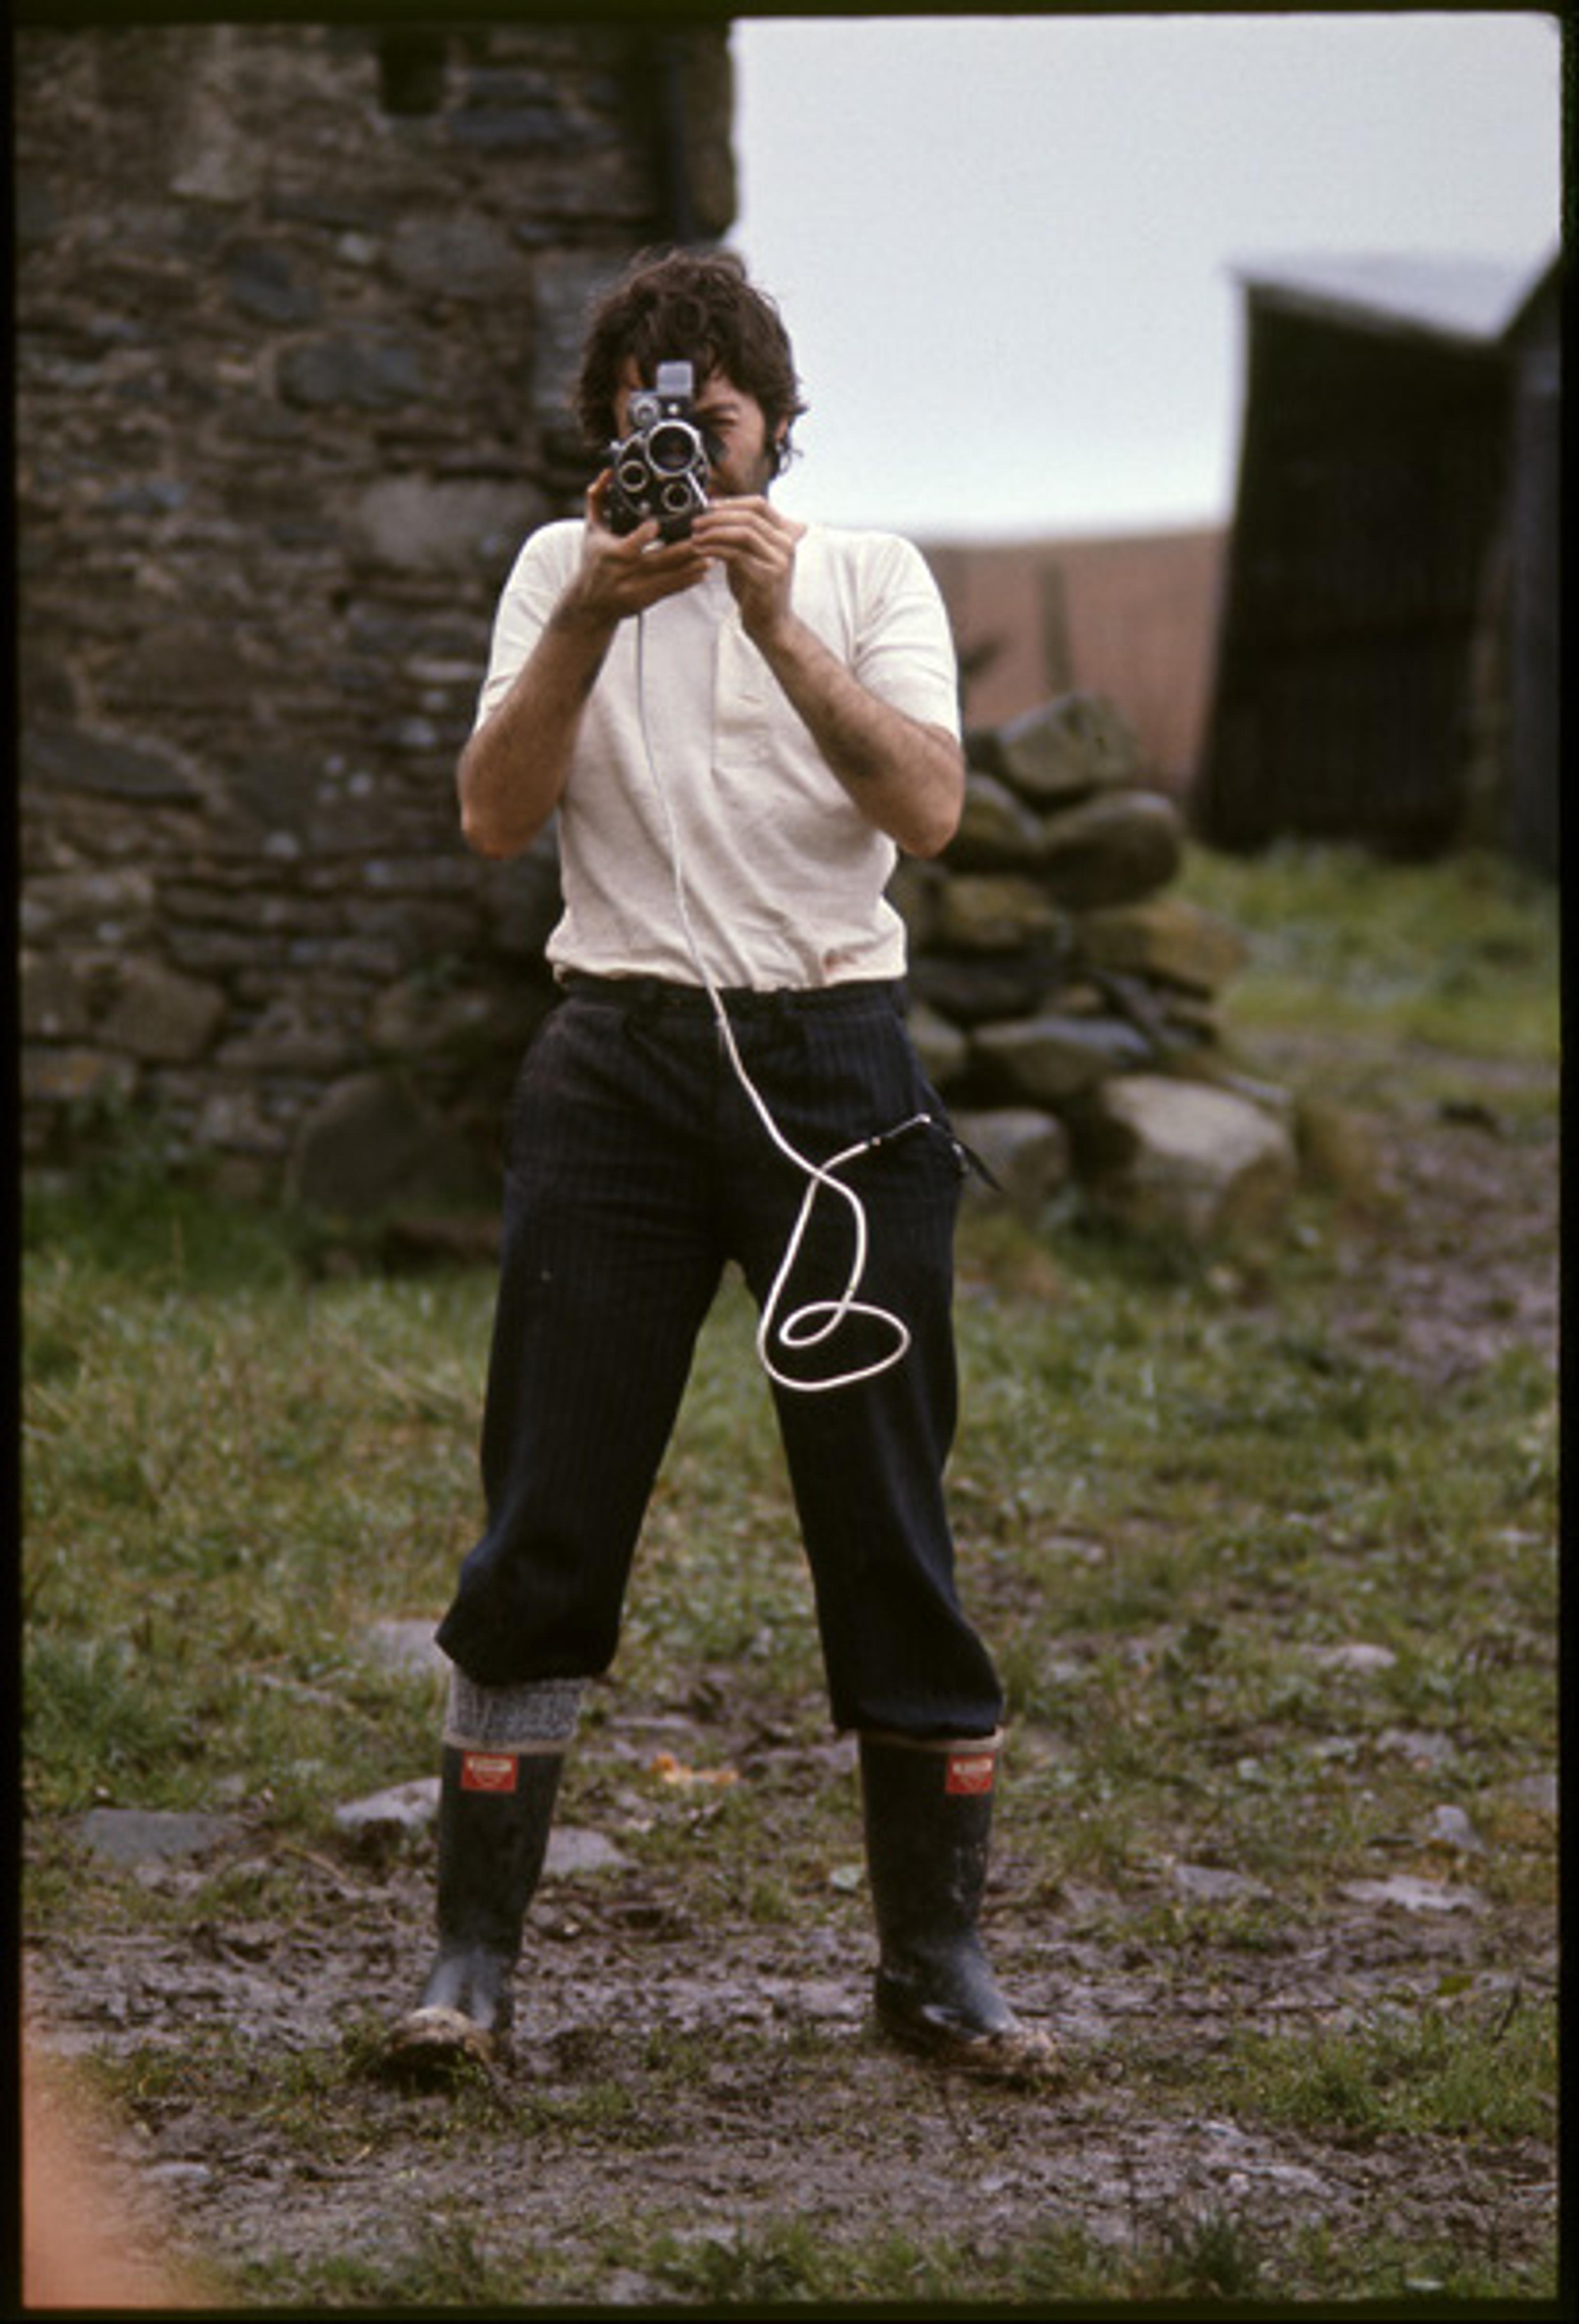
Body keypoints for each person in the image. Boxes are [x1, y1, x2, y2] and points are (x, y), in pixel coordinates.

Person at [389, 247, 1050, 2083]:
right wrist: (601, 610)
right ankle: (469, 1967)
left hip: (834, 1056)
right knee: (549, 1502)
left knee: (885, 1508)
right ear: (610, 438)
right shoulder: (555, 569)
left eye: (716, 426)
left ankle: (935, 1964)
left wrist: (770, 619)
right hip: (617, 1059)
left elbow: (924, 808)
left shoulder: (864, 574)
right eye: (645, 429)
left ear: (776, 428)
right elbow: (494, 818)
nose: (682, 459)